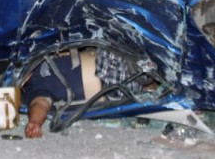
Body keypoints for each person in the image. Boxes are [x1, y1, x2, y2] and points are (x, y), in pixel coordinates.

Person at [21, 48, 149, 139]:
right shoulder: (31, 89)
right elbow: (40, 104)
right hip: (108, 81)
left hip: (107, 54)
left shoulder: (37, 59)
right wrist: (35, 122)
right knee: (146, 69)